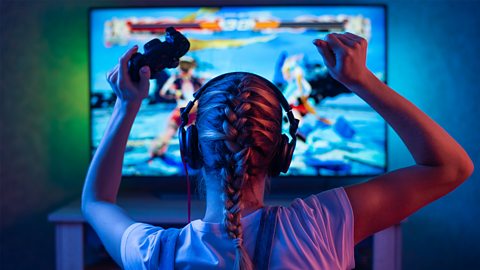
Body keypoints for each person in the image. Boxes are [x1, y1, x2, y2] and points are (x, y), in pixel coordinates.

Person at [82, 33, 474, 269]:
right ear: (282, 154)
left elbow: (96, 202)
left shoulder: (155, 254)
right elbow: (451, 166)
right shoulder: (322, 226)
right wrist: (363, 81)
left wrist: (125, 106)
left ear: (192, 150)